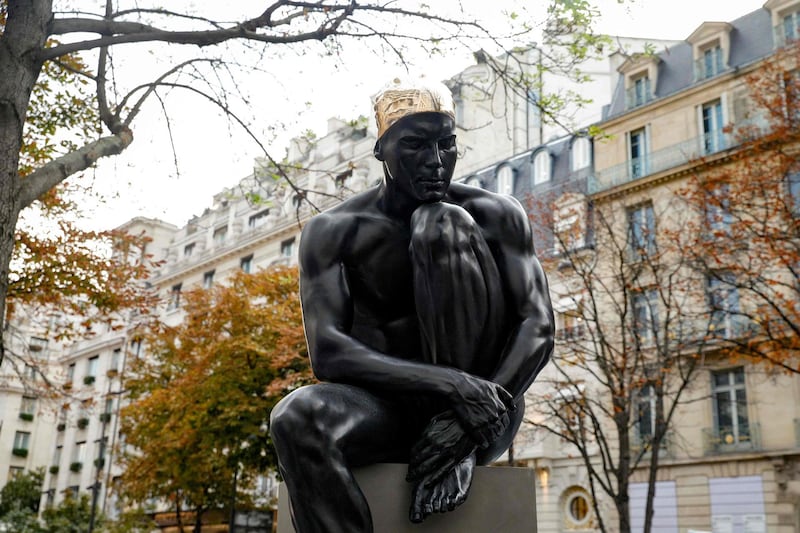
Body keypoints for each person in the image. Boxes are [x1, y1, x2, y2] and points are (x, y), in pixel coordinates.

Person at [270, 78, 554, 533]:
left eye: (447, 145)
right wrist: (451, 384)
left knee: (440, 222)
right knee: (295, 417)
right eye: (416, 146)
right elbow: (328, 352)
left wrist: (467, 421)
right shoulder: (335, 230)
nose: (435, 162)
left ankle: (455, 439)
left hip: (488, 403)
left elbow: (537, 325)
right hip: (387, 411)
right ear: (381, 150)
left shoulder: (495, 213)